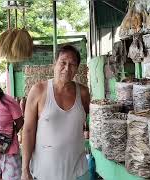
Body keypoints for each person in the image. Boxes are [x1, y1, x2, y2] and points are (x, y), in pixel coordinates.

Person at [21, 45, 91, 180]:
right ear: (55, 64)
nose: (67, 68)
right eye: (63, 63)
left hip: (77, 170)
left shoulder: (83, 92)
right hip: (45, 171)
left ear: (77, 68)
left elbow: (91, 120)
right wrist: (25, 170)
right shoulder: (39, 90)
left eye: (72, 64)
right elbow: (28, 130)